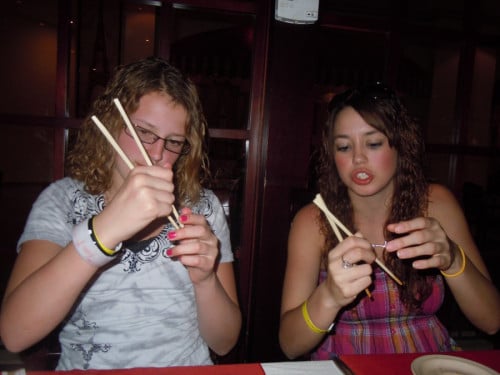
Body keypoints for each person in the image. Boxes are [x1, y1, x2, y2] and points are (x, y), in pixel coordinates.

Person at [0, 57, 241, 369]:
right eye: (144, 132)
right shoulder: (63, 202)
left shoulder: (202, 208)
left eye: (174, 142)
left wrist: (206, 280)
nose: (156, 154)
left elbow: (225, 342)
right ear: (111, 124)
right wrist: (104, 231)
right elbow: (15, 334)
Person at [279, 82, 500, 359]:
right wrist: (330, 296)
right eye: (344, 147)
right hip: (344, 364)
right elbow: (289, 344)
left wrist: (454, 259)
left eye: (373, 143)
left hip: (429, 362)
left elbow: (492, 321)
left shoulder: (436, 205)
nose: (358, 157)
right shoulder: (312, 221)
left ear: (400, 144)